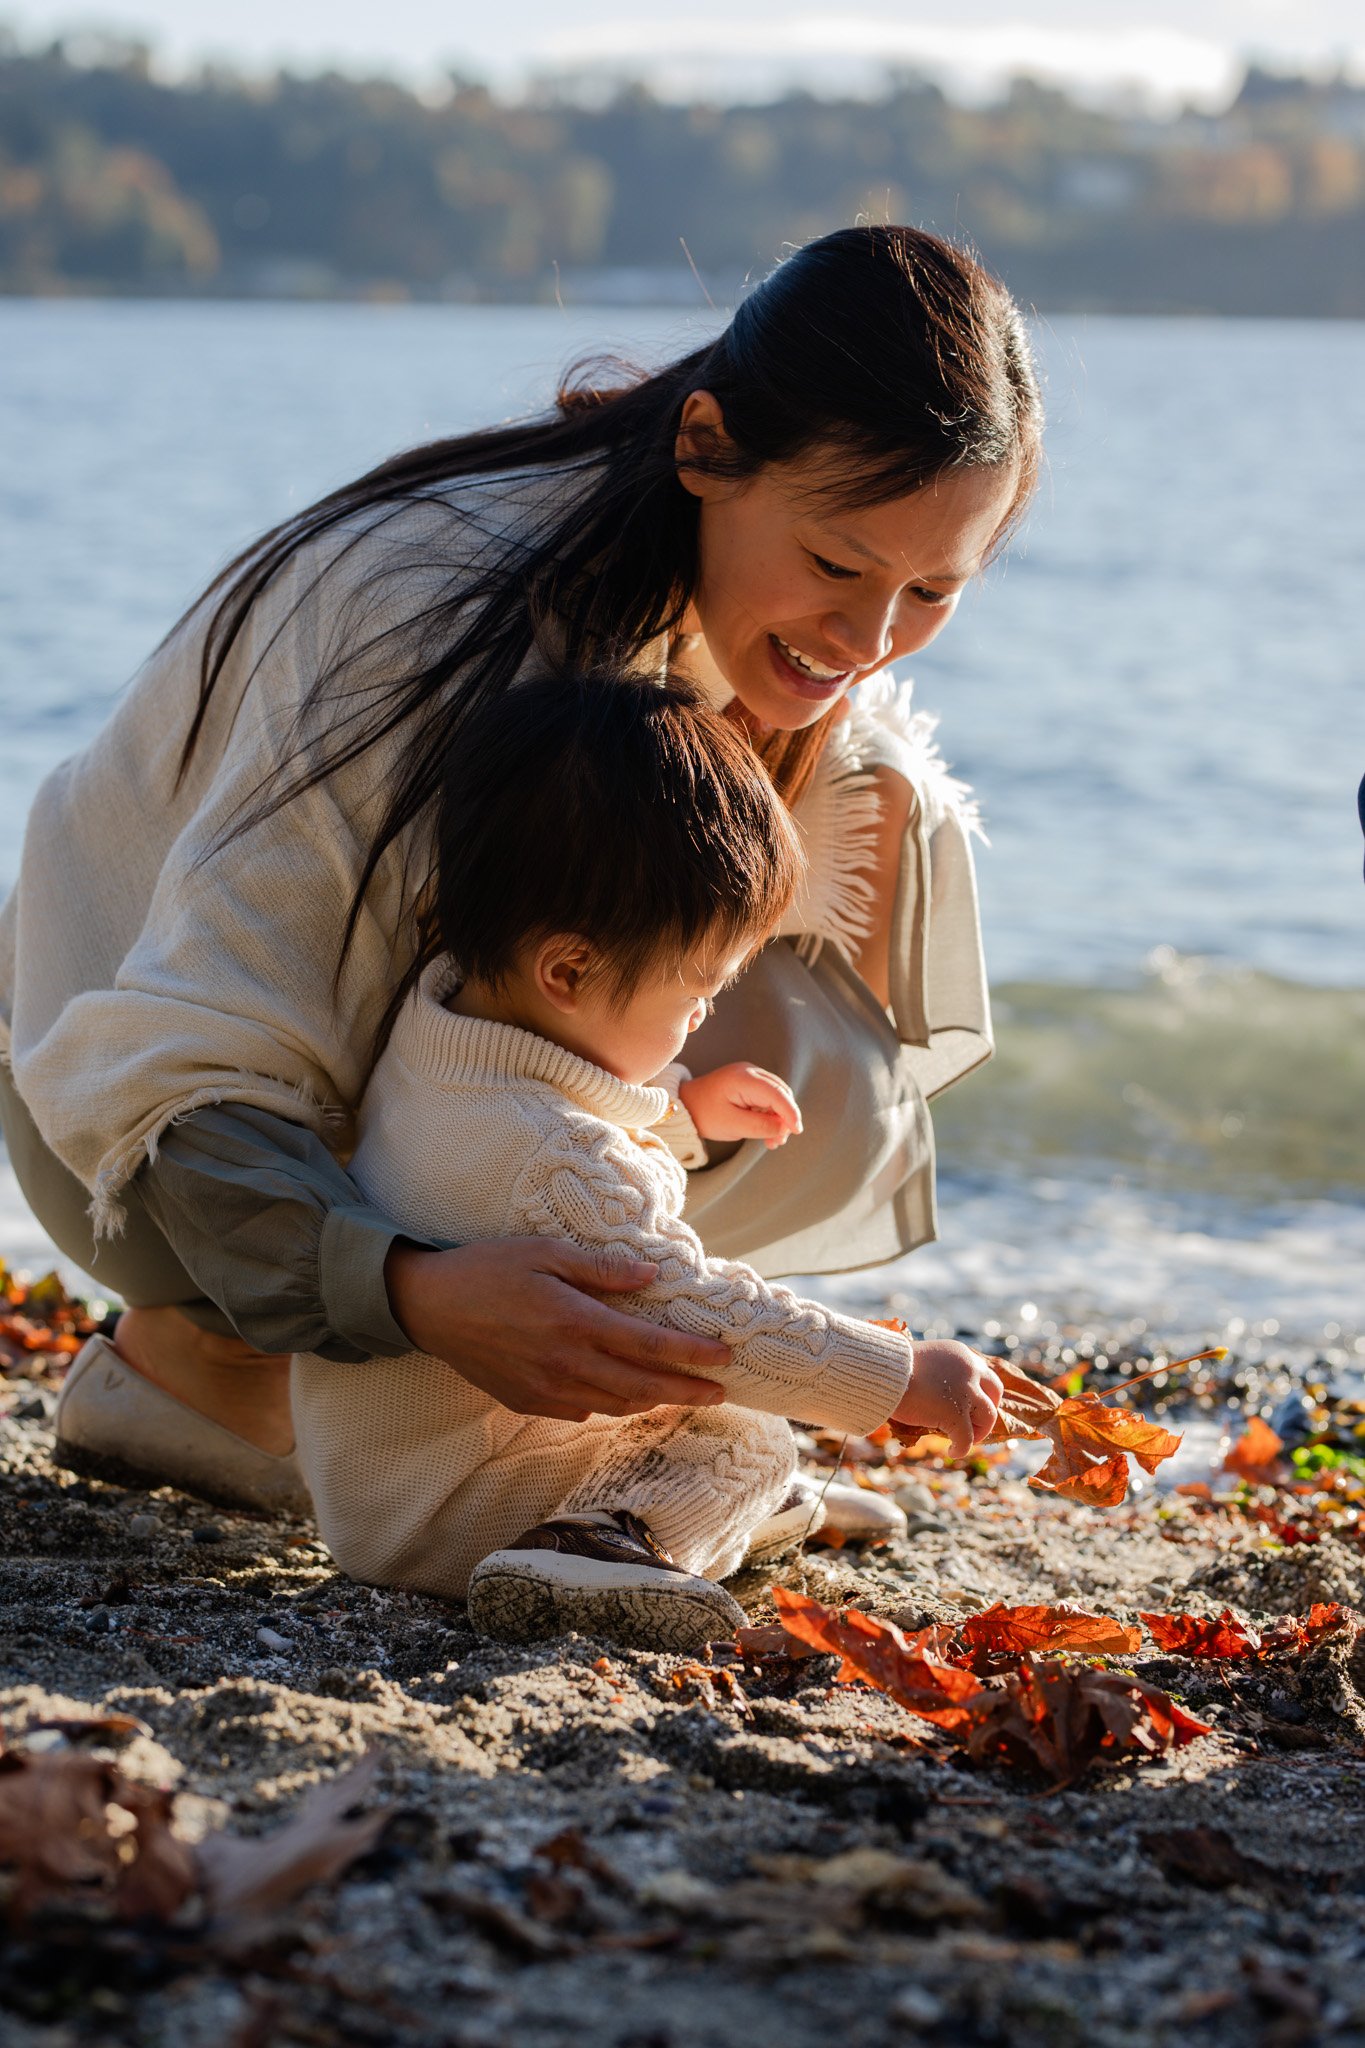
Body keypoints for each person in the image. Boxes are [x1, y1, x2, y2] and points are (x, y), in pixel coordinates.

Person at [0, 223, 1041, 1516]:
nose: (870, 640)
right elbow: (185, 1056)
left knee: (825, 1047)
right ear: (706, 446)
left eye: (932, 591)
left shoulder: (696, 605)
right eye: (837, 565)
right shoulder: (428, 618)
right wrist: (415, 1296)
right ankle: (220, 1356)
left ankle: (340, 1390)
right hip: (130, 1138)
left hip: (324, 1114)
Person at [292, 670, 1003, 1646]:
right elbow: (708, 1317)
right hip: (444, 1509)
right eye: (700, 985)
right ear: (570, 970)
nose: (705, 1012)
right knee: (743, 1425)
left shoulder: (439, 1020)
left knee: (713, 1418)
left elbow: (521, 1160)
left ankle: (693, 1513)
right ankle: (594, 1547)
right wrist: (901, 1373)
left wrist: (678, 1112)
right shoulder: (553, 1155)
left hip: (390, 1471)